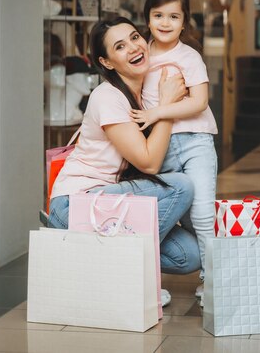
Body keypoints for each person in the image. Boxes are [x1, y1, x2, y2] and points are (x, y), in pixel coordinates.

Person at [48, 17, 201, 306]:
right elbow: (149, 163)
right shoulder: (107, 96)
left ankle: (106, 266)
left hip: (107, 204)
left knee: (189, 254)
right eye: (120, 46)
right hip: (75, 205)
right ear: (106, 62)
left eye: (134, 37)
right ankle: (127, 277)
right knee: (180, 186)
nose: (133, 47)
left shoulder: (142, 96)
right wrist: (167, 108)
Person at [132, 0, 218, 303]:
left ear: (184, 22)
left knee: (203, 212)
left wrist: (157, 112)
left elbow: (198, 101)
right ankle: (149, 283)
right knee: (161, 213)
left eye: (173, 16)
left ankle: (212, 280)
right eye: (158, 15)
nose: (165, 23)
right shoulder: (140, 56)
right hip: (160, 143)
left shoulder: (189, 56)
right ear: (147, 18)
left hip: (196, 141)